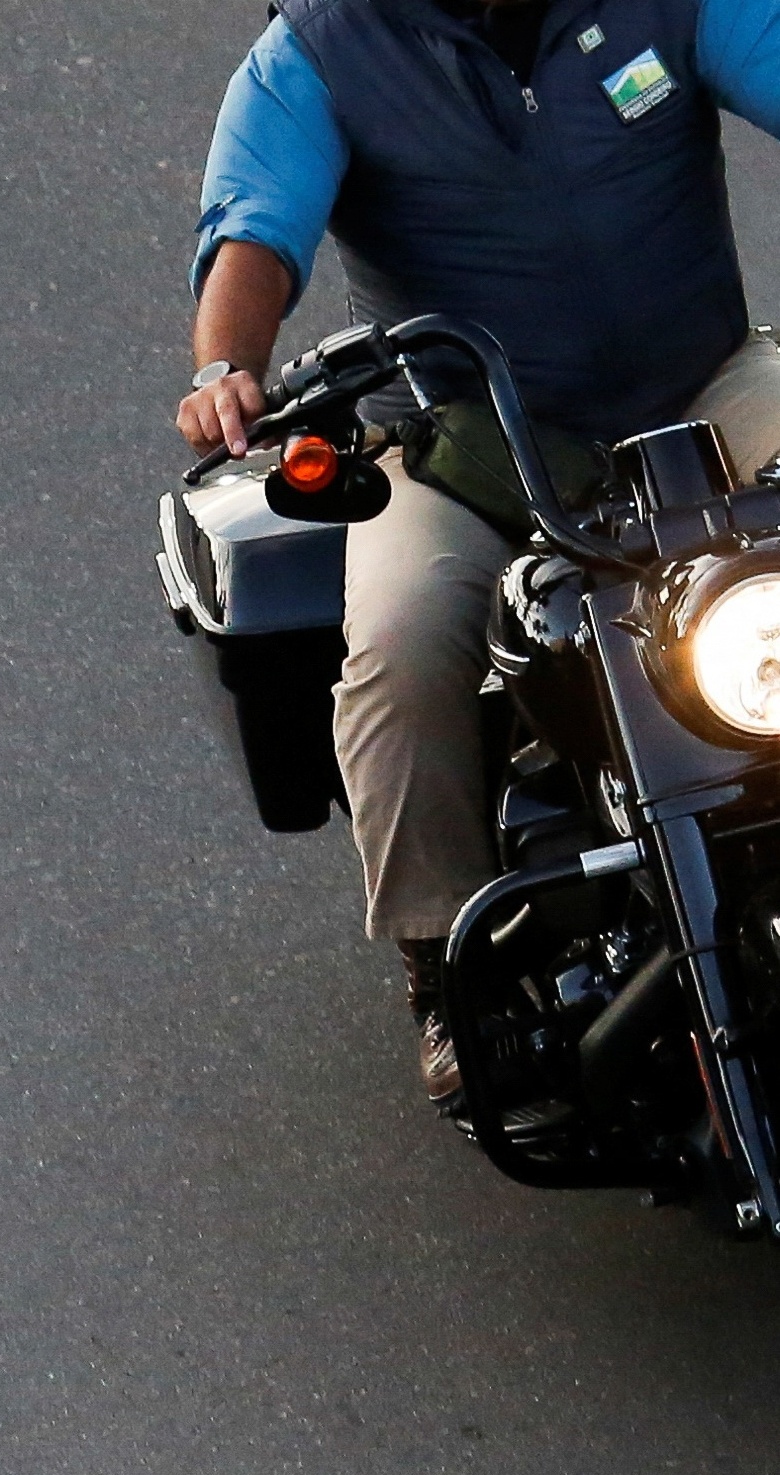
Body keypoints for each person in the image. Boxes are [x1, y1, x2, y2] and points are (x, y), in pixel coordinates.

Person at [177, 0, 780, 1105]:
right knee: (401, 646)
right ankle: (438, 960)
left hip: (698, 390)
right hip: (469, 440)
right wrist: (229, 366)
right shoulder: (317, 52)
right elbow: (253, 232)